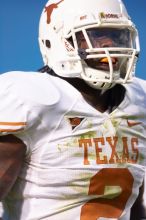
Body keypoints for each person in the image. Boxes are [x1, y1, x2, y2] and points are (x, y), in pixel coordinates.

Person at [0, 0, 146, 219]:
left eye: (116, 35)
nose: (109, 44)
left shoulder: (139, 99)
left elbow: (134, 205)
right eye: (96, 35)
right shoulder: (30, 98)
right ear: (57, 41)